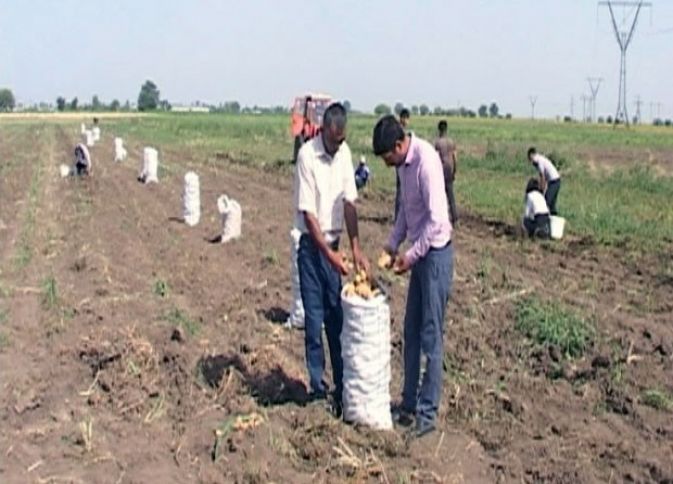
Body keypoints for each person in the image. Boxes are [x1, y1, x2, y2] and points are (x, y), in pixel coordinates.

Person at [373, 115, 453, 438]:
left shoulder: (426, 162)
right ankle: (408, 401)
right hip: (419, 254)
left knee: (431, 335)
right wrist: (392, 244)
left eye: (386, 157)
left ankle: (427, 414)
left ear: (398, 145)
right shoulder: (403, 167)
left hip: (434, 255)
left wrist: (410, 256)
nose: (385, 163)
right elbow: (406, 212)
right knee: (411, 330)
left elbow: (436, 222)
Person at [293, 102, 369, 414]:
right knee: (314, 320)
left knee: (337, 320)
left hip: (335, 246)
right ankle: (316, 388)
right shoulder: (307, 156)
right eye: (335, 140)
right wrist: (330, 255)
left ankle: (340, 386)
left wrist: (355, 248)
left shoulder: (345, 153)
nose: (339, 145)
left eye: (343, 140)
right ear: (324, 130)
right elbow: (308, 214)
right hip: (313, 249)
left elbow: (349, 203)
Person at [434, 120, 458, 225]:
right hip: (450, 170)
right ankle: (455, 219)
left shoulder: (438, 143)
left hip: (441, 170)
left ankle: (442, 218)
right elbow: (455, 158)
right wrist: (455, 171)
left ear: (439, 130)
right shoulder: (451, 142)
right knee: (451, 195)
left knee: (440, 195)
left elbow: (436, 159)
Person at [527, 147, 561, 215]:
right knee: (552, 204)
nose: (530, 161)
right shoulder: (540, 159)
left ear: (532, 155)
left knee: (547, 201)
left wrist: (541, 190)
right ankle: (553, 218)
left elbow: (542, 177)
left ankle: (543, 219)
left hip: (554, 181)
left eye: (530, 158)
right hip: (555, 181)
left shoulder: (539, 161)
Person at [394, 108, 411, 222]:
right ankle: (398, 217)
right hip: (400, 161)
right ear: (403, 118)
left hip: (402, 161)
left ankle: (400, 216)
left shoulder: (401, 130)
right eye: (407, 119)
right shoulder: (399, 131)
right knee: (401, 189)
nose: (407, 122)